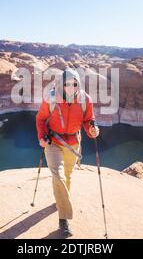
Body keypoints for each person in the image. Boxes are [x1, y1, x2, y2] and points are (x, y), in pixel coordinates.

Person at [36, 68, 100, 237]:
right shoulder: (51, 98)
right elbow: (41, 119)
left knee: (67, 175)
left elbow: (88, 120)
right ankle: (64, 219)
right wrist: (42, 137)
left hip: (73, 143)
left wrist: (92, 130)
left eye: (74, 84)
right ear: (61, 85)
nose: (71, 87)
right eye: (67, 84)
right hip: (53, 141)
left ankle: (60, 199)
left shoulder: (85, 100)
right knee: (58, 175)